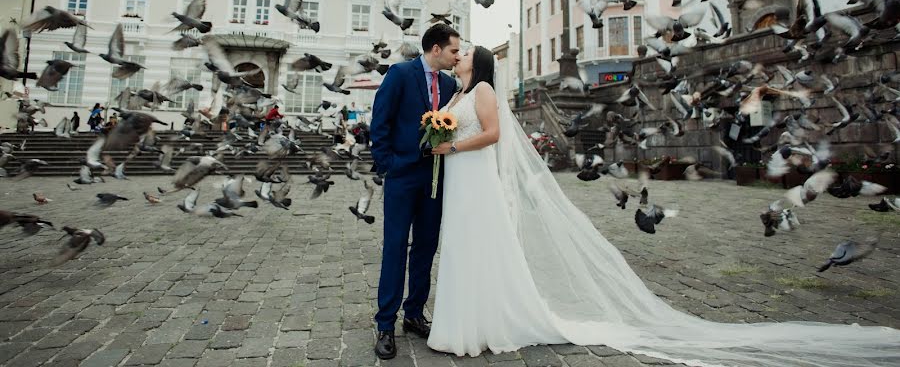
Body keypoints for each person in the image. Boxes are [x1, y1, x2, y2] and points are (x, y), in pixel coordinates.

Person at [419, 45, 900, 366]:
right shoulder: (460, 91)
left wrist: (451, 146)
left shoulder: (480, 90)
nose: (458, 57)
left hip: (472, 177)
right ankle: (470, 320)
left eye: (463, 55)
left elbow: (494, 134)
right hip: (463, 181)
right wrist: (441, 134)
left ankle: (485, 321)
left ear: (476, 66)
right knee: (466, 249)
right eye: (457, 53)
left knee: (479, 246)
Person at [370, 23, 460, 360]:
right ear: (435, 49)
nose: (457, 56)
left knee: (425, 247)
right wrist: (388, 164)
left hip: (435, 179)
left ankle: (414, 314)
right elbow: (380, 121)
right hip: (402, 176)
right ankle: (385, 324)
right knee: (394, 248)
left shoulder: (451, 84)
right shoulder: (399, 74)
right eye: (453, 50)